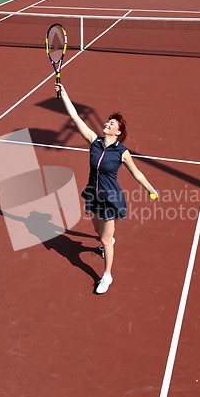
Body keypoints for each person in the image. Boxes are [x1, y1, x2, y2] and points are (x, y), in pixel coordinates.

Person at [54, 83, 158, 294]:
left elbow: (136, 172)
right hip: (93, 194)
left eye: (111, 123)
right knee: (97, 230)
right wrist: (64, 93)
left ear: (118, 132)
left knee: (105, 238)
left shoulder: (122, 152)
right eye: (108, 121)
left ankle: (106, 275)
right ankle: (106, 241)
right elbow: (75, 118)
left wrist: (150, 188)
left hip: (111, 198)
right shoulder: (94, 141)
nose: (106, 124)